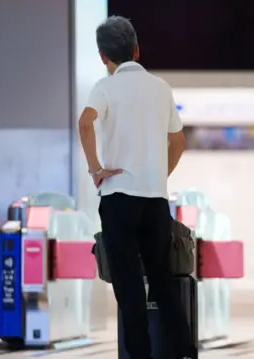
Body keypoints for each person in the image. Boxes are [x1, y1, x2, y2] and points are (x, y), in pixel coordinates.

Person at [77, 16, 193, 359]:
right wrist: (158, 175)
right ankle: (183, 351)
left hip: (118, 199)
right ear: (137, 49)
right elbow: (178, 143)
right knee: (162, 280)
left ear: (103, 57)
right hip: (155, 200)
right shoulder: (161, 87)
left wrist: (96, 169)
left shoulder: (105, 86)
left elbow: (86, 123)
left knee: (129, 287)